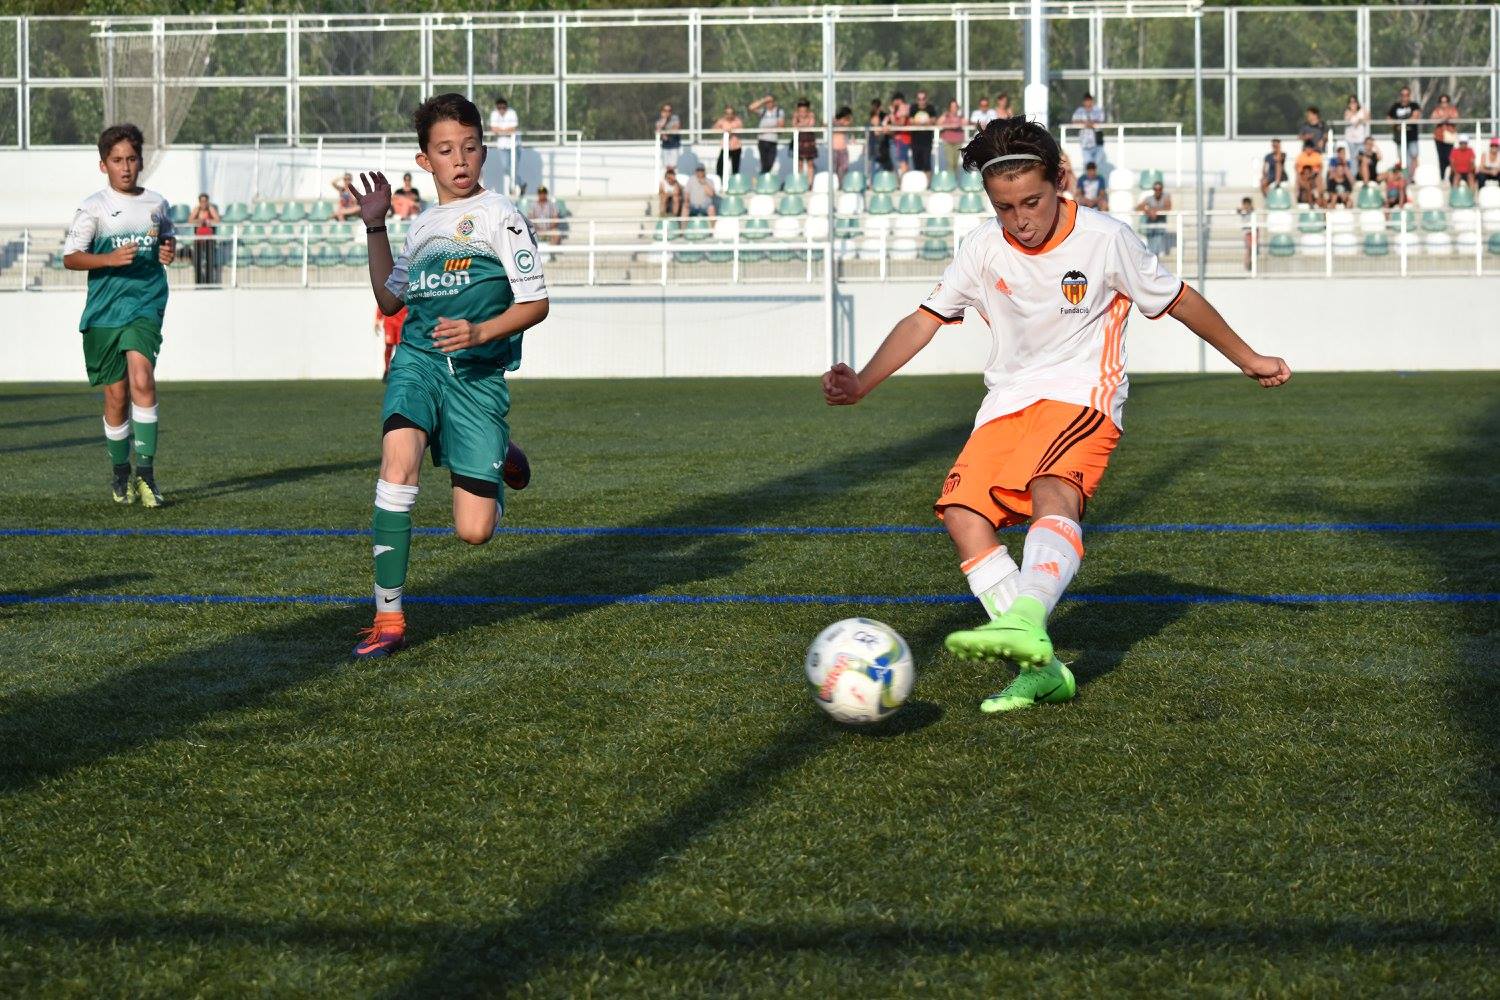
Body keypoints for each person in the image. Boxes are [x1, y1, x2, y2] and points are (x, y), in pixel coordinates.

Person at [820, 116, 1290, 714]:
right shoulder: (983, 247)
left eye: (1032, 201)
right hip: (1007, 399)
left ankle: (1024, 618)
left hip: (1083, 393)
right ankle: (1036, 666)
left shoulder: (1105, 238)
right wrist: (861, 382)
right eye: (1005, 206)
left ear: (1060, 180)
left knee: (1051, 486)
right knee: (963, 514)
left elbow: (1178, 300)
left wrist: (1246, 357)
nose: (1021, 218)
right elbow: (923, 320)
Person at [346, 92, 547, 659]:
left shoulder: (500, 217)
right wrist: (376, 227)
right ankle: (388, 617)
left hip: (477, 377)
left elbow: (536, 302)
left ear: (484, 151)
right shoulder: (424, 227)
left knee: (474, 531)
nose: (459, 160)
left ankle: (497, 448)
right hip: (418, 363)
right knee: (398, 463)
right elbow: (390, 300)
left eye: (469, 148)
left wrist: (481, 333)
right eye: (445, 150)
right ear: (424, 160)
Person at [62, 123, 176, 508]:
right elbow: (71, 257)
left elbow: (167, 239)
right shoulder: (93, 207)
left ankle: (146, 475)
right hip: (105, 310)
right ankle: (120, 473)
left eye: (131, 159)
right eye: (117, 160)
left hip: (145, 303)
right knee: (116, 395)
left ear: (141, 161)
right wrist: (107, 258)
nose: (125, 167)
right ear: (103, 165)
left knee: (143, 378)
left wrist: (168, 251)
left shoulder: (158, 204)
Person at [187, 191, 220, 285]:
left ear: (207, 201)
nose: (203, 203)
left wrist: (209, 221)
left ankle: (209, 282)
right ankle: (198, 282)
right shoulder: (197, 210)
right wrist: (199, 221)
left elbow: (217, 220)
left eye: (205, 201)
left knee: (210, 261)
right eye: (201, 201)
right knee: (197, 261)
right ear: (199, 202)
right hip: (198, 239)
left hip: (209, 239)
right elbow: (190, 220)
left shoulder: (211, 209)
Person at [488, 96, 520, 192]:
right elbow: (493, 129)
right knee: (506, 167)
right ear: (497, 107)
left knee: (514, 168)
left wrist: (500, 130)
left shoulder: (512, 113)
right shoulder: (494, 114)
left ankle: (514, 187)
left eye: (503, 107)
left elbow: (513, 129)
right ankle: (521, 184)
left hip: (515, 145)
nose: (502, 110)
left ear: (506, 106)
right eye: (499, 108)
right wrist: (506, 131)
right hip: (502, 145)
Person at [749, 94, 784, 175]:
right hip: (762, 140)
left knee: (770, 162)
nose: (769, 103)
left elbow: (780, 126)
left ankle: (762, 177)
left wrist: (772, 129)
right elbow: (751, 107)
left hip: (773, 140)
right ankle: (763, 179)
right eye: (767, 102)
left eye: (770, 101)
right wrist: (763, 100)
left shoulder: (779, 111)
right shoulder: (763, 111)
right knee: (764, 163)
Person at [1387, 86, 1421, 171]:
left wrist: (1401, 123)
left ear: (1409, 96)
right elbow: (1388, 119)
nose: (1405, 97)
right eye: (1403, 95)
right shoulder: (1395, 106)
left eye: (1407, 95)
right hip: (1399, 137)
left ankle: (1413, 177)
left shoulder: (1414, 105)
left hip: (1412, 136)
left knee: (1414, 155)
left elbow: (1415, 117)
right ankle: (1405, 176)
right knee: (1402, 157)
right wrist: (1398, 125)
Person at [1136, 179, 1172, 255]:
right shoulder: (1149, 198)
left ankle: (1156, 260)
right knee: (1151, 247)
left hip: (1160, 226)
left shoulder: (1166, 196)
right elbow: (1138, 207)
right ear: (1153, 190)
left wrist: (1155, 210)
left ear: (1162, 189)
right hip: (1151, 226)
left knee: (1157, 246)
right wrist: (1148, 211)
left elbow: (1168, 207)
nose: (1158, 191)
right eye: (1156, 189)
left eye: (1159, 189)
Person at [1071, 93, 1106, 166]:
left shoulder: (1097, 110)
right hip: (1085, 143)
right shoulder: (1080, 110)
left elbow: (1101, 120)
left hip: (1097, 142)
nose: (1088, 103)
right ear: (1083, 102)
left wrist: (1090, 123)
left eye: (1089, 101)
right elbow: (1074, 121)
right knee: (1088, 165)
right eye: (1086, 101)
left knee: (1096, 165)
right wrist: (1085, 123)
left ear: (1092, 101)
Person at [1430, 94, 1458, 181]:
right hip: (1439, 138)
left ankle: (1451, 176)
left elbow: (1456, 119)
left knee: (1449, 158)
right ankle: (1442, 177)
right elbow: (1432, 119)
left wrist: (1445, 118)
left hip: (1449, 137)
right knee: (1441, 158)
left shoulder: (1452, 110)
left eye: (1445, 102)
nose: (1444, 104)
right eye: (1442, 102)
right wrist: (1444, 118)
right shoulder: (1437, 110)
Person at [909, 90, 937, 175]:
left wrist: (919, 122)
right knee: (917, 164)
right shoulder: (913, 107)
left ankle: (927, 185)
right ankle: (919, 184)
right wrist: (924, 121)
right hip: (915, 141)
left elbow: (933, 120)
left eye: (923, 98)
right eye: (919, 99)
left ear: (926, 99)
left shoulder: (930, 108)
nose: (921, 101)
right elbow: (911, 121)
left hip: (927, 141)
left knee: (927, 163)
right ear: (917, 99)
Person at [711, 105, 743, 177]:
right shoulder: (722, 121)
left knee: (735, 167)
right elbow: (714, 129)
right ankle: (720, 182)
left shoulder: (737, 121)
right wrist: (723, 130)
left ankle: (734, 184)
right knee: (720, 165)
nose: (729, 115)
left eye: (731, 113)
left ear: (733, 114)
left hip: (736, 147)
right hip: (725, 147)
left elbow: (740, 129)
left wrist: (731, 130)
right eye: (727, 113)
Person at [792, 98, 818, 185]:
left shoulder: (811, 115)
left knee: (810, 163)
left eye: (804, 110)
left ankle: (810, 183)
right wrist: (802, 123)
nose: (802, 113)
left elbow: (811, 124)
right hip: (799, 141)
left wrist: (801, 124)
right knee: (799, 163)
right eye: (800, 110)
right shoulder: (796, 115)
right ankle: (800, 183)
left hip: (809, 141)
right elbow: (794, 125)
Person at [376, 304, 407, 379]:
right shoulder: (389, 292)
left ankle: (399, 371)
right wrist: (378, 318)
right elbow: (382, 303)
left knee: (400, 348)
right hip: (389, 323)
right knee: (389, 346)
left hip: (401, 324)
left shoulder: (407, 293)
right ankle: (386, 370)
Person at [937, 99, 966, 174]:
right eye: (952, 107)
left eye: (955, 107)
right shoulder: (946, 116)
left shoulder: (960, 117)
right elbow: (938, 123)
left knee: (956, 163)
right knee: (950, 163)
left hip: (958, 141)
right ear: (949, 107)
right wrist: (945, 116)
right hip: (948, 142)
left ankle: (955, 181)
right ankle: (951, 181)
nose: (954, 108)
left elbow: (966, 123)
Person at [886, 93, 912, 174]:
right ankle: (904, 178)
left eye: (898, 100)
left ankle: (904, 179)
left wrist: (892, 115)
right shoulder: (896, 110)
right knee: (902, 160)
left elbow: (901, 123)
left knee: (902, 160)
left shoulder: (903, 108)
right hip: (898, 139)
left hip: (902, 139)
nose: (896, 102)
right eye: (895, 100)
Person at [655, 103, 682, 171]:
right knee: (666, 167)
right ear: (662, 111)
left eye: (669, 111)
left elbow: (676, 128)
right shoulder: (659, 120)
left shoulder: (675, 118)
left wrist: (665, 132)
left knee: (673, 167)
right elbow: (658, 129)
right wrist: (664, 119)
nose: (667, 112)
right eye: (665, 110)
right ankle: (667, 180)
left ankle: (673, 180)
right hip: (665, 146)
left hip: (674, 145)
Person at [1342, 96, 1369, 163]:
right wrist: (1356, 116)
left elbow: (1367, 118)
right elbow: (1347, 119)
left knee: (1361, 157)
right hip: (1351, 139)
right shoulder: (1347, 111)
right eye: (1351, 102)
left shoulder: (1362, 111)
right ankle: (1354, 173)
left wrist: (1359, 120)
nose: (1353, 104)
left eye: (1354, 102)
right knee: (1353, 158)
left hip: (1360, 139)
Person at [867, 98, 891, 173]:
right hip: (877, 147)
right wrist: (884, 127)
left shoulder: (880, 116)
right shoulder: (875, 117)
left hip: (880, 147)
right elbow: (876, 132)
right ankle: (874, 183)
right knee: (876, 168)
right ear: (879, 107)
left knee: (885, 167)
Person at [831, 106, 853, 181]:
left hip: (843, 149)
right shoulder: (834, 122)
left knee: (844, 168)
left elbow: (847, 125)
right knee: (835, 168)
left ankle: (843, 184)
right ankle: (837, 184)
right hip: (834, 149)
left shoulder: (846, 123)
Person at [1237, 196, 1255, 271]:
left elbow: (1252, 209)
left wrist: (1248, 209)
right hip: (1247, 233)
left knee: (1252, 249)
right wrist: (1242, 209)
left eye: (1248, 204)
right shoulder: (1243, 212)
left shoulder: (1252, 211)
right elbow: (1238, 210)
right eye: (1245, 205)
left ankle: (1250, 264)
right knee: (1248, 249)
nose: (1246, 206)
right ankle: (1247, 265)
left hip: (1253, 232)